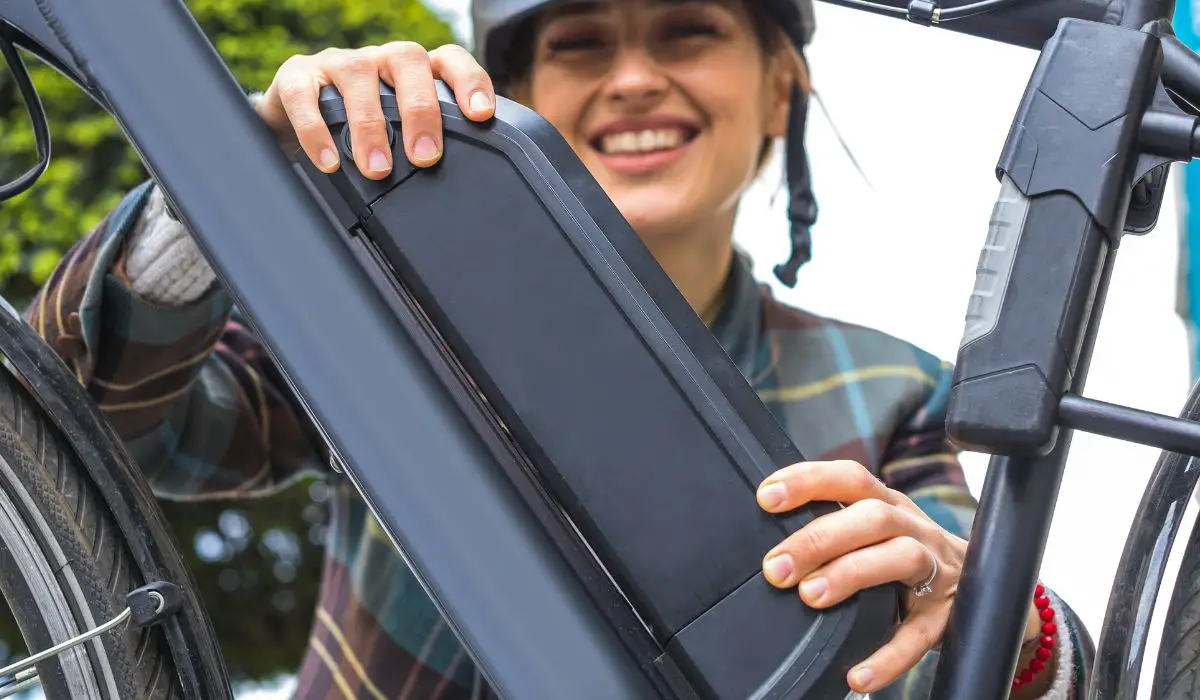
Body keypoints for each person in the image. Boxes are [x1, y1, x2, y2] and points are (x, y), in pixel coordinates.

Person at [25, 0, 1094, 696]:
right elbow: (91, 424)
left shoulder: (893, 388)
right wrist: (220, 189)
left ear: (780, 85)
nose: (632, 78)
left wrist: (1011, 628)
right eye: (579, 41)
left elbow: (975, 638)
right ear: (518, 95)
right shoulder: (388, 308)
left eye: (687, 30)